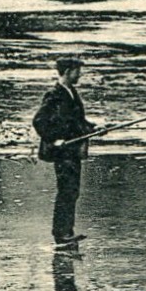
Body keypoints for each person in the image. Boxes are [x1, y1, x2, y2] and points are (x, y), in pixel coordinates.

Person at [32, 55, 98, 248]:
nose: (80, 74)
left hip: (72, 150)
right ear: (68, 72)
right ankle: (61, 234)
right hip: (62, 151)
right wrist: (54, 139)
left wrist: (93, 127)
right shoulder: (54, 95)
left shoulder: (71, 92)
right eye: (78, 71)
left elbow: (76, 121)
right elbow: (39, 121)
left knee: (72, 190)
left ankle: (66, 232)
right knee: (66, 191)